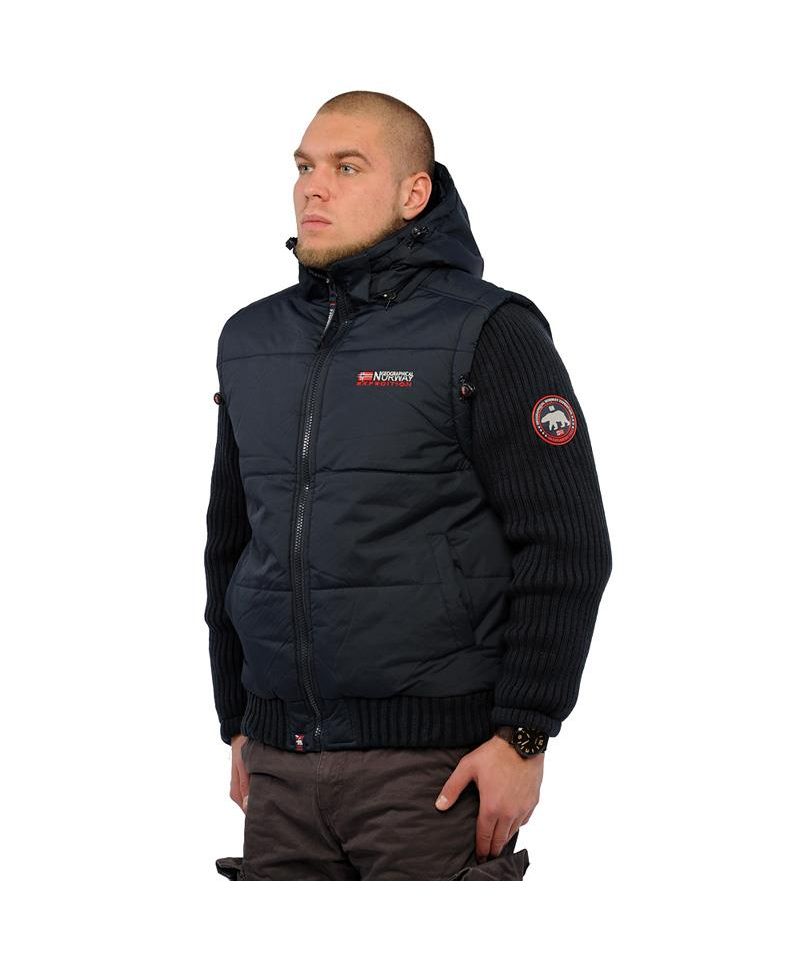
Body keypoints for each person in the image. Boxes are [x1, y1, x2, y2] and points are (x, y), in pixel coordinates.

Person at [205, 90, 612, 881]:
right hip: (280, 768)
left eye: (347, 167)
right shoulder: (251, 340)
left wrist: (524, 734)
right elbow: (233, 542)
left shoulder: (488, 331)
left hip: (433, 770)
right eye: (305, 167)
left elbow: (566, 543)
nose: (313, 187)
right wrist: (239, 722)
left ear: (413, 192)